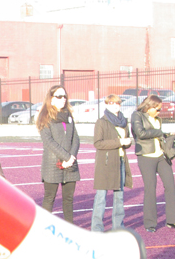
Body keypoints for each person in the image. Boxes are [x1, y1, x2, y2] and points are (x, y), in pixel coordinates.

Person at [130, 94, 175, 232]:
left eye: (160, 109)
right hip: (146, 156)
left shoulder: (157, 119)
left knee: (170, 186)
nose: (159, 112)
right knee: (150, 188)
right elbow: (140, 133)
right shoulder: (137, 115)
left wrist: (167, 135)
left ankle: (173, 220)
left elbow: (156, 135)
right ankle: (150, 223)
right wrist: (159, 132)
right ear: (149, 106)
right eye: (157, 109)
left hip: (161, 155)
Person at [37, 85, 80, 223]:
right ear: (51, 99)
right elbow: (48, 141)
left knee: (68, 199)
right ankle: (44, 227)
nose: (63, 99)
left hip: (70, 163)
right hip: (53, 163)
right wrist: (66, 157)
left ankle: (70, 227)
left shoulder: (68, 116)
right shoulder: (45, 117)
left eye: (64, 96)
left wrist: (71, 158)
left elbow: (75, 139)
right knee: (49, 198)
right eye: (59, 96)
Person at [90, 94, 133, 232]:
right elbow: (98, 143)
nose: (115, 106)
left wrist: (127, 142)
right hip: (105, 163)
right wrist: (119, 142)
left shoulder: (124, 121)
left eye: (117, 103)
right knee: (101, 197)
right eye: (111, 103)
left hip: (120, 161)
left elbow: (126, 141)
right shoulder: (101, 122)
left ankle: (118, 228)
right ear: (107, 104)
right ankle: (96, 229)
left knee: (119, 197)